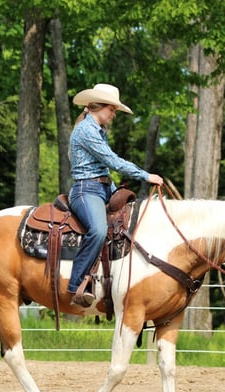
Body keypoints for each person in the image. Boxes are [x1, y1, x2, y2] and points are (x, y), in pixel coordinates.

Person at [67, 83, 163, 307]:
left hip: (105, 188)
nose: (114, 114)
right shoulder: (86, 130)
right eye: (112, 109)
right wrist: (146, 176)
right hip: (86, 190)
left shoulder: (99, 130)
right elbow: (112, 161)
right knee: (99, 231)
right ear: (99, 106)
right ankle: (76, 284)